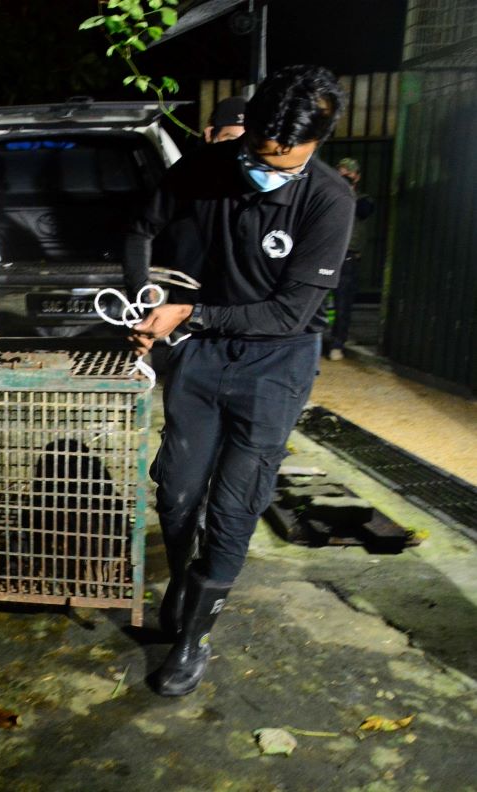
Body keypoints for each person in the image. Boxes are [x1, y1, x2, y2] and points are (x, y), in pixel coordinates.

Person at [125, 65, 353, 697]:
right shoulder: (208, 165)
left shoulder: (329, 201)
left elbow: (288, 313)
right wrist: (146, 294)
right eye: (259, 156)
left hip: (276, 364)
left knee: (234, 505)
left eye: (285, 164)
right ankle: (184, 579)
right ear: (245, 130)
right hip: (203, 355)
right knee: (175, 488)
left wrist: (189, 310)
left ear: (317, 145)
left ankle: (194, 637)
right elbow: (140, 228)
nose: (267, 172)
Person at [326, 157, 375, 361]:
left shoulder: (363, 199)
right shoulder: (327, 196)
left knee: (343, 303)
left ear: (357, 176)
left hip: (348, 257)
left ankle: (337, 343)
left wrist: (347, 192)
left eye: (349, 172)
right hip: (326, 255)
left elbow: (363, 212)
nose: (344, 175)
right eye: (341, 172)